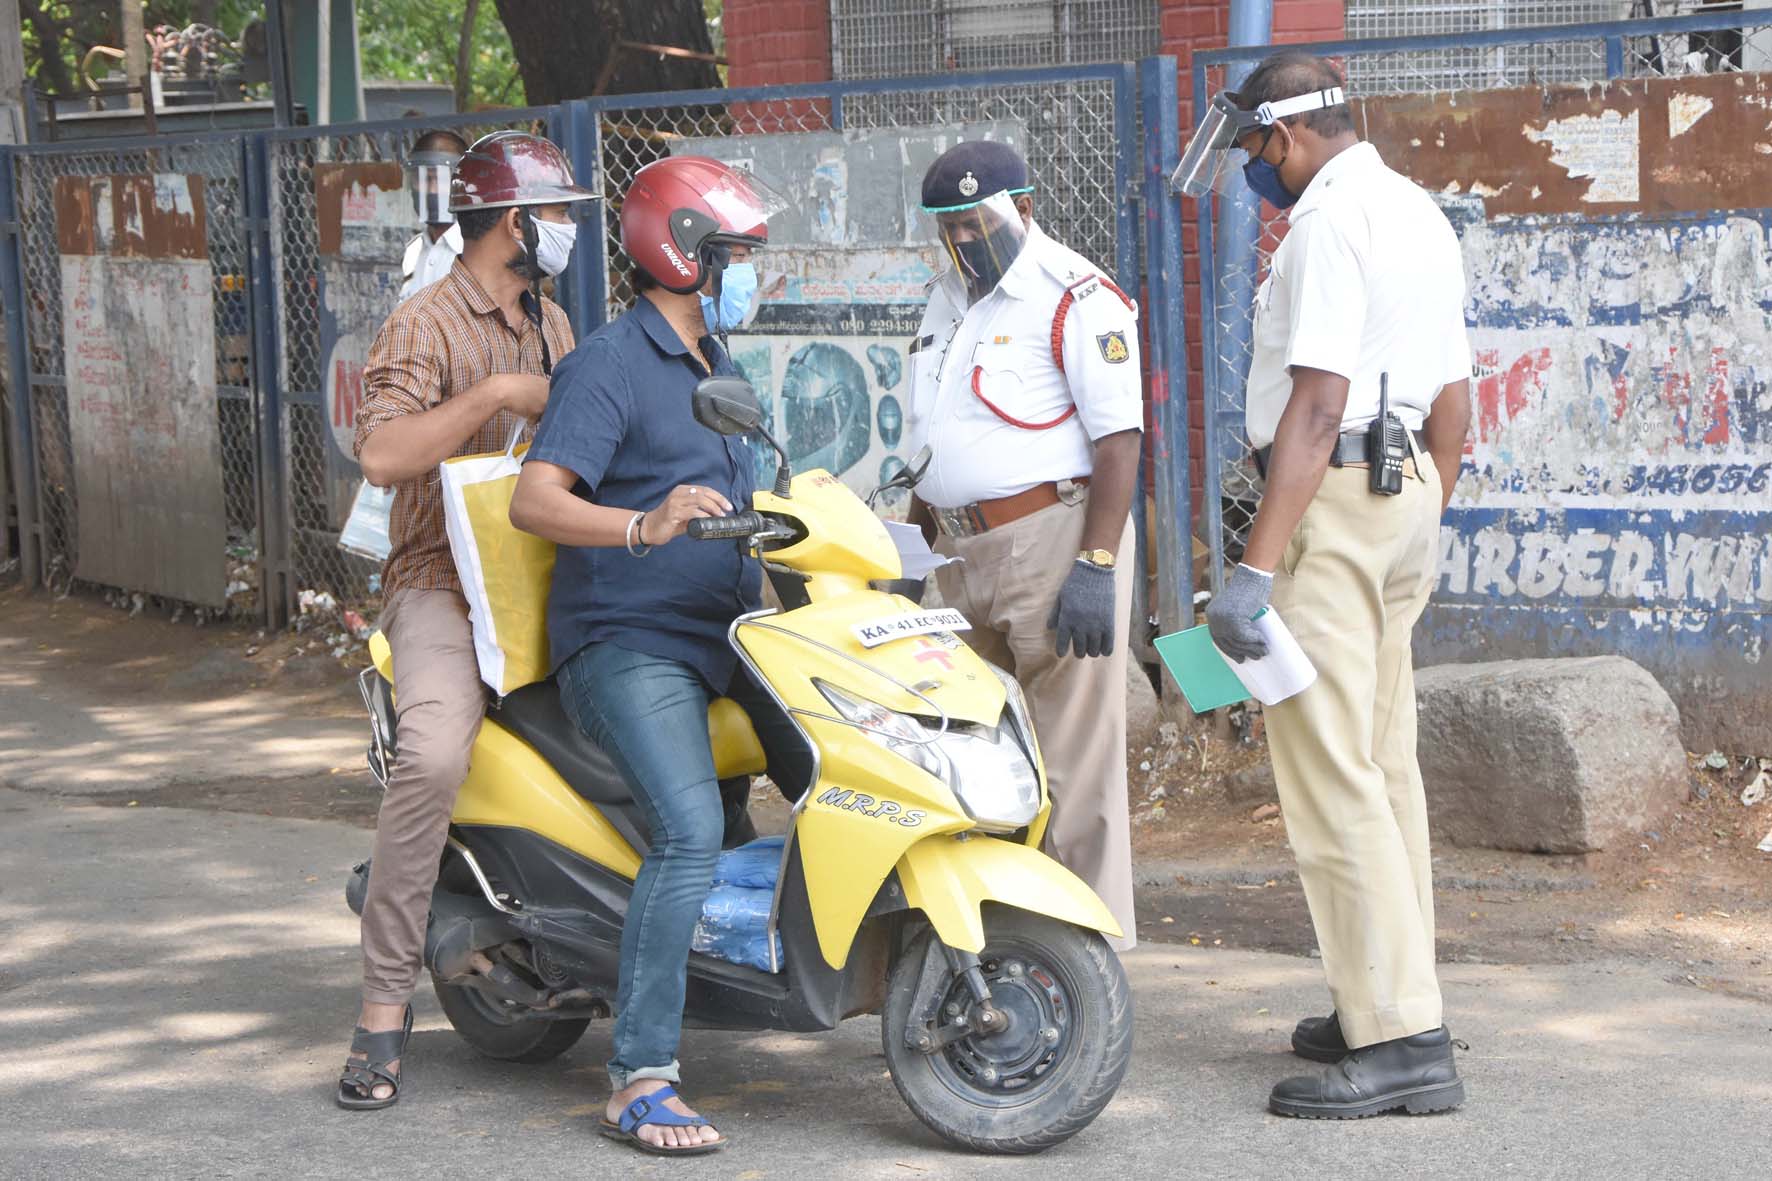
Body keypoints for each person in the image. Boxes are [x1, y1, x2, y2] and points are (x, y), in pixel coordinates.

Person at [1177, 53, 1473, 1118]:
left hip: (1335, 501)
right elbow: (1454, 394)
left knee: (1328, 771)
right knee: (1383, 761)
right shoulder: (1415, 212)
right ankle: (1387, 995)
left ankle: (1399, 1040)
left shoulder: (1322, 227)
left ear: (1287, 137)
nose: (1255, 171)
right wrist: (1429, 504)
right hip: (1405, 499)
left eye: (1254, 150)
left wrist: (1254, 569)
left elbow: (1311, 405)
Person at [507, 155, 812, 1157]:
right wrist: (643, 524)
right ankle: (638, 1075)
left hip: (727, 636)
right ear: (675, 252)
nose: (746, 275)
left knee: (842, 770)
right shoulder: (609, 362)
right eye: (732, 256)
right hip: (628, 640)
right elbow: (536, 498)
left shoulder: (716, 364)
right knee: (687, 830)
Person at [337, 131, 594, 1111]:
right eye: (558, 213)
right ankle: (379, 1007)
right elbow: (382, 453)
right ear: (514, 223)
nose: (568, 230)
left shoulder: (556, 324)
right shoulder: (425, 323)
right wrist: (491, 393)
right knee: (437, 750)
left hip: (538, 574)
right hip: (440, 580)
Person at [903, 140, 1144, 952]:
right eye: (953, 226)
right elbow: (930, 439)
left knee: (1074, 764)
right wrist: (910, 550)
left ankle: (1085, 961)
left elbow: (1120, 439)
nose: (970, 237)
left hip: (1054, 537)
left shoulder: (1074, 294)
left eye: (983, 220)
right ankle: (1007, 946)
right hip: (958, 551)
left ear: (1025, 209)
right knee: (984, 756)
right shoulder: (945, 300)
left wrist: (1098, 563)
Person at [398, 129, 468, 301]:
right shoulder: (412, 252)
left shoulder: (476, 252)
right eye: (423, 179)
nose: (431, 190)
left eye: (440, 179)